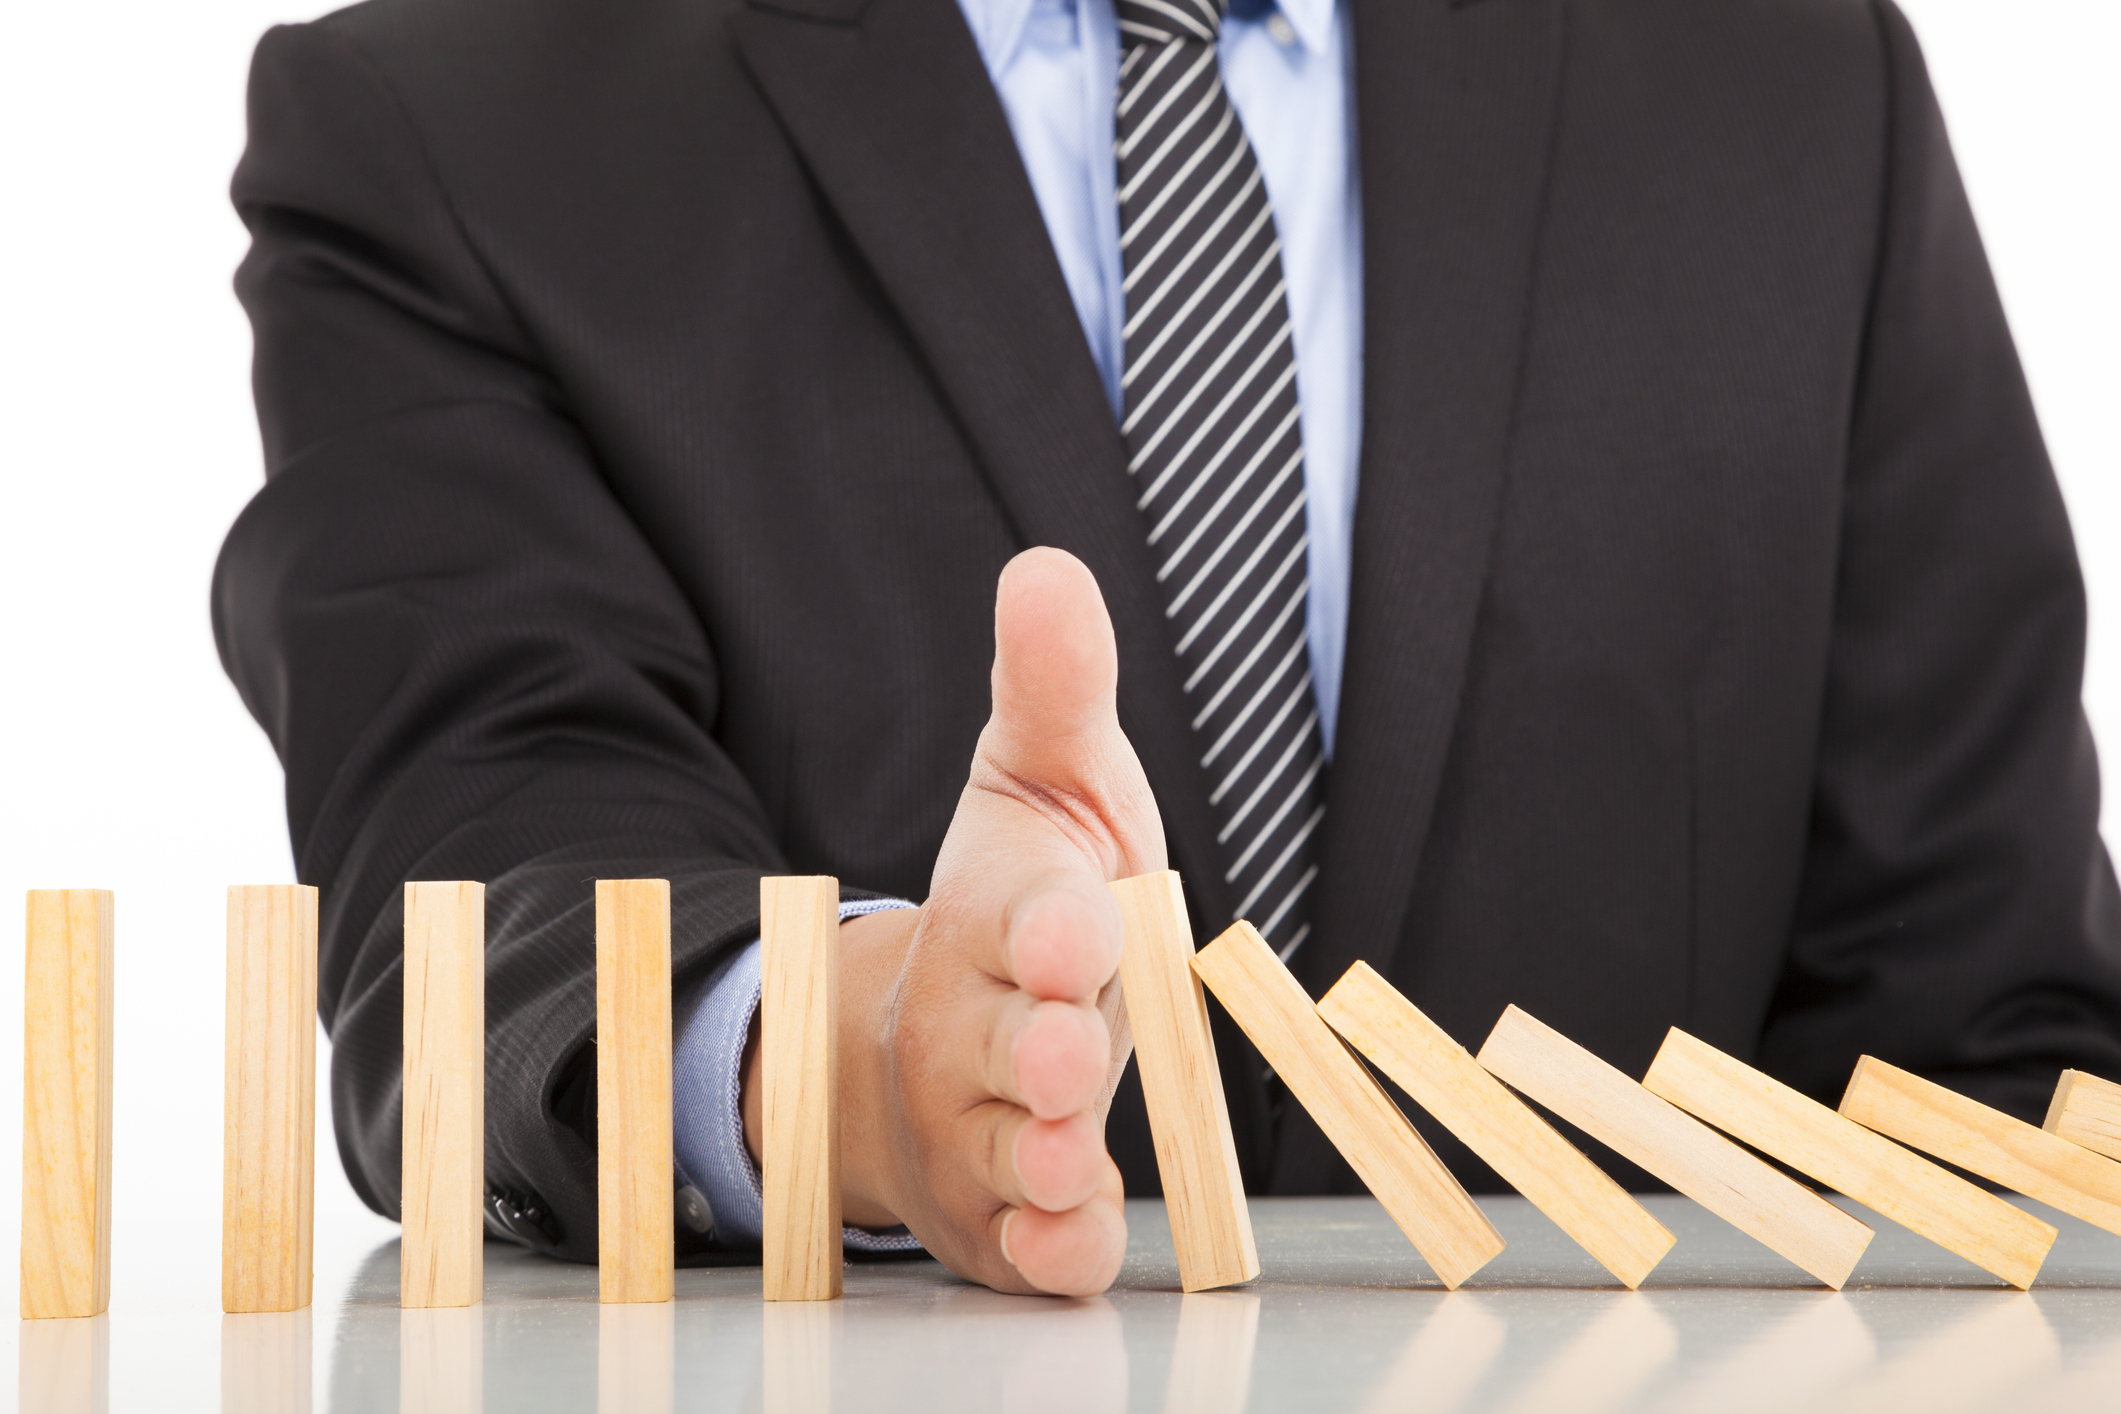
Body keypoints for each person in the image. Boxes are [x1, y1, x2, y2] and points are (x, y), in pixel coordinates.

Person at [213, 0, 2121, 1297]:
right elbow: (482, 892)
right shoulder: (450, 119)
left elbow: (1987, 1035)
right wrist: (863, 1065)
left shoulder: (1782, 70)